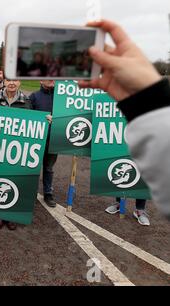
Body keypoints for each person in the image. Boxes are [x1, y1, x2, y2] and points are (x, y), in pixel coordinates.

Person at [78, 19, 170, 219]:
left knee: (138, 174)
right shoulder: (112, 94)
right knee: (120, 169)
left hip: (138, 134)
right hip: (126, 135)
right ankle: (118, 202)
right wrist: (149, 100)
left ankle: (140, 209)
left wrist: (150, 97)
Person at [0, 79, 32, 231]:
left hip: (16, 148)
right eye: (9, 79)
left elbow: (33, 124)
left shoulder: (27, 102)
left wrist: (45, 120)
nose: (12, 83)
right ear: (4, 81)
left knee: (14, 180)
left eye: (15, 80)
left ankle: (11, 215)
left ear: (20, 82)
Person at [30, 80, 58, 207]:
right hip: (37, 140)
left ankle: (48, 193)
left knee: (48, 168)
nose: (51, 79)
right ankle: (31, 193)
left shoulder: (61, 98)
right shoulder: (34, 96)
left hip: (53, 139)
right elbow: (28, 116)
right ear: (40, 80)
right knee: (33, 168)